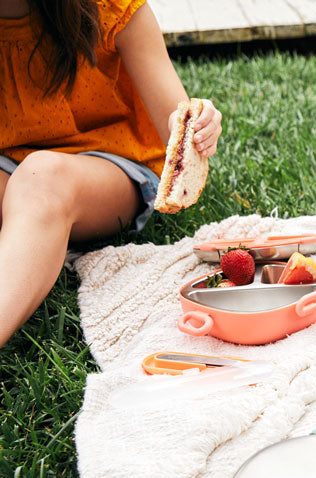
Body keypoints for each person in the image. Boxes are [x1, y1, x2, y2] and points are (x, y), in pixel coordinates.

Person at [0, 0, 222, 347]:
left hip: (112, 167)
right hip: (8, 164)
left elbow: (175, 124)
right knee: (31, 179)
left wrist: (200, 122)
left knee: (42, 177)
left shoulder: (110, 8)